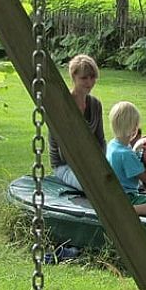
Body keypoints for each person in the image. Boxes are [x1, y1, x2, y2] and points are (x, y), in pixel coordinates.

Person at [50, 54, 106, 190]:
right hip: (64, 166)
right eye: (84, 78)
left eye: (92, 77)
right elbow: (61, 151)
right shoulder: (63, 104)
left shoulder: (95, 104)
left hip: (90, 163)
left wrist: (101, 165)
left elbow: (100, 140)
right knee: (93, 185)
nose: (89, 82)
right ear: (73, 77)